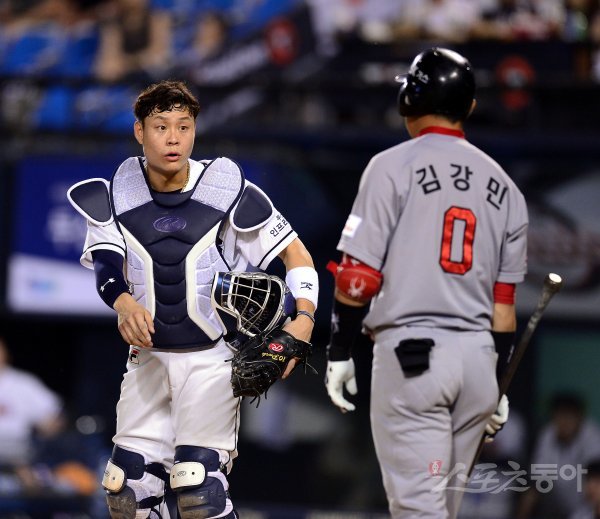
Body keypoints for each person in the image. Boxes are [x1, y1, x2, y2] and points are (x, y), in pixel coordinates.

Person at [67, 80, 318, 518]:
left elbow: (297, 255)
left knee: (199, 491)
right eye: (161, 126)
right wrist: (124, 302)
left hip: (211, 358)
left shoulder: (226, 189)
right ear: (139, 131)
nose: (174, 138)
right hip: (148, 359)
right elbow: (107, 265)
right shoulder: (114, 193)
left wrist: (304, 319)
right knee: (127, 493)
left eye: (183, 127)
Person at [323, 47, 528, 518]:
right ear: (469, 107)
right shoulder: (507, 188)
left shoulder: (390, 165)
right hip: (477, 366)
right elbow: (503, 310)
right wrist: (496, 383)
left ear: (409, 99)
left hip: (414, 362)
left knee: (418, 510)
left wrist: (339, 350)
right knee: (442, 511)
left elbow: (357, 278)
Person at [516, 393, 600, 519]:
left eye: (569, 417)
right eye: (560, 416)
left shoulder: (592, 436)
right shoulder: (548, 434)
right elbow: (537, 481)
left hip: (587, 508)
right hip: (557, 508)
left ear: (580, 417)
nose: (564, 422)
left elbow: (595, 481)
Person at [0, 336, 63, 467]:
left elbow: (52, 419)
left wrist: (47, 432)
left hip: (16, 450)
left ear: (6, 353)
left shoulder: (23, 383)